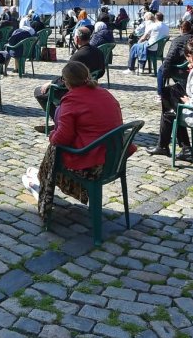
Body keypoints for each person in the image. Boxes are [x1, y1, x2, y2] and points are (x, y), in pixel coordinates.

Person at [24, 61, 130, 220]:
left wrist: (52, 135)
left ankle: (42, 189)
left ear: (66, 82)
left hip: (94, 165)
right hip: (115, 159)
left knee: (54, 150)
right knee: (56, 149)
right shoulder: (104, 93)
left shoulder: (72, 99)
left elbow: (61, 138)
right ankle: (39, 179)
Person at [34, 27, 105, 129]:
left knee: (38, 92)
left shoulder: (77, 56)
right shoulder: (98, 52)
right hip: (90, 88)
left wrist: (50, 83)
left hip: (73, 89)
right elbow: (101, 72)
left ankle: (59, 122)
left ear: (77, 39)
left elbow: (65, 79)